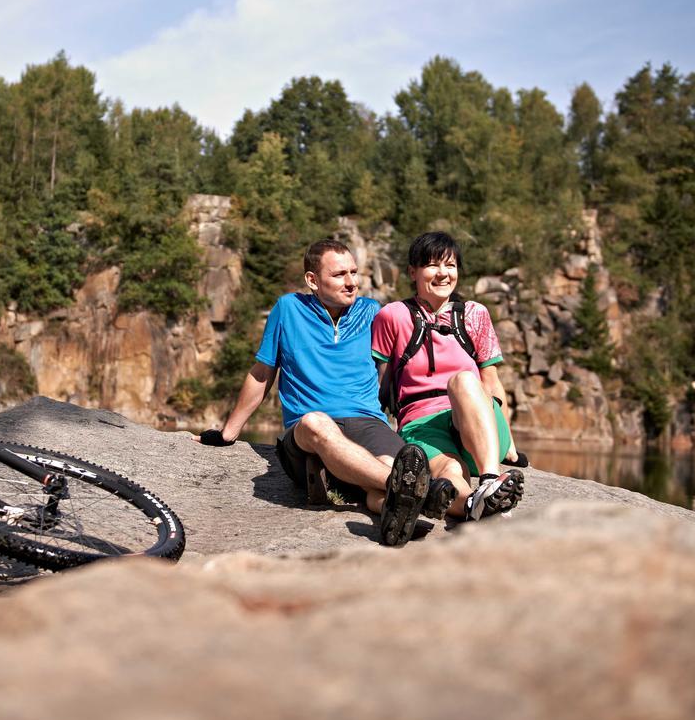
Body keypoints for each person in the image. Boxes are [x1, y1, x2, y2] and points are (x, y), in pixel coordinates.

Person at [197, 238, 456, 546]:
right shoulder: (288, 309)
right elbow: (262, 373)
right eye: (339, 275)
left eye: (354, 272)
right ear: (312, 280)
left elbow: (400, 373)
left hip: (368, 422)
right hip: (309, 431)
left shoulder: (373, 312)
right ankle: (417, 492)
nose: (351, 283)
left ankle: (395, 507)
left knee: (390, 468)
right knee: (316, 424)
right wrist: (228, 433)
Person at [371, 231, 524, 521]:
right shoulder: (392, 316)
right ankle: (476, 505)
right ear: (412, 272)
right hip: (420, 423)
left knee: (464, 380)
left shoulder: (475, 314)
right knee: (450, 472)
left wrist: (511, 446)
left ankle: (490, 480)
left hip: (477, 419)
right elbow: (379, 383)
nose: (443, 274)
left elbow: (490, 380)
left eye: (450, 265)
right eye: (432, 265)